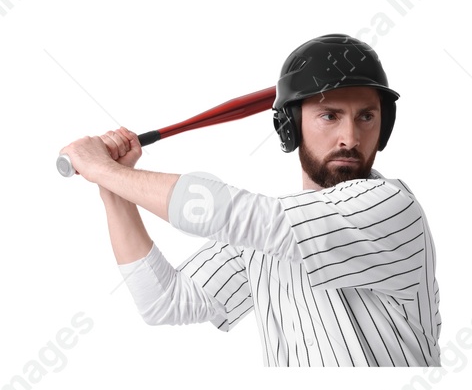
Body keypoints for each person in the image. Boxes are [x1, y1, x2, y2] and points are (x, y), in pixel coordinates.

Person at [58, 35, 441, 365]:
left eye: (366, 117)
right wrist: (112, 185)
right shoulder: (266, 236)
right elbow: (164, 302)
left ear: (384, 125)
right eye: (329, 116)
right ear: (289, 126)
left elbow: (228, 213)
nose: (350, 138)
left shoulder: (391, 207)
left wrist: (104, 170)